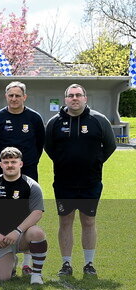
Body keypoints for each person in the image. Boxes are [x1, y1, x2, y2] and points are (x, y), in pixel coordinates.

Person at [44, 83, 116, 278]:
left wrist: (95, 162)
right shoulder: (54, 122)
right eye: (71, 95)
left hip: (90, 183)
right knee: (65, 221)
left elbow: (110, 146)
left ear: (85, 98)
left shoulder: (98, 120)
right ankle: (66, 264)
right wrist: (64, 162)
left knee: (89, 221)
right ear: (65, 99)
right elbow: (49, 148)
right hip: (63, 183)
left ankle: (89, 263)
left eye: (78, 95)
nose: (74, 98)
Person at [0, 148, 49, 285]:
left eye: (13, 161)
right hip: (0, 239)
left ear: (21, 164)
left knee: (37, 233)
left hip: (22, 236)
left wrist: (17, 231)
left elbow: (37, 212)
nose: (10, 165)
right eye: (6, 162)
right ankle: (9, 261)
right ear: (0, 165)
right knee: (0, 279)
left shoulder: (32, 185)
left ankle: (36, 275)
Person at [0, 81, 45, 181]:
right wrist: (3, 162)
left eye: (17, 96)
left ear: (24, 97)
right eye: (11, 95)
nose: (14, 99)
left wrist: (31, 160)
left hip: (28, 168)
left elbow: (40, 143)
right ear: (6, 96)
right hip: (5, 168)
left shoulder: (35, 118)